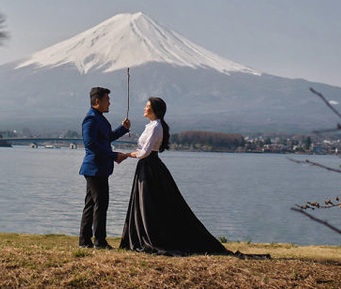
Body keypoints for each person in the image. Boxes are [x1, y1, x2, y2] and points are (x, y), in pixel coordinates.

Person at [118, 97, 232, 256]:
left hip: (150, 168)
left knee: (148, 204)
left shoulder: (156, 127)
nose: (144, 108)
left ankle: (151, 237)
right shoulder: (151, 126)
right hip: (146, 167)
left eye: (147, 106)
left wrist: (126, 155)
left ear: (155, 110)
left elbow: (145, 152)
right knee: (146, 203)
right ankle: (141, 235)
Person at [79, 86, 131, 249]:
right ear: (97, 101)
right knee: (101, 204)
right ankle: (99, 241)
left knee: (91, 204)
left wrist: (123, 129)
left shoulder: (99, 118)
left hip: (98, 168)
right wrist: (114, 156)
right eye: (107, 100)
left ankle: (85, 240)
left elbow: (106, 138)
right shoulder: (91, 119)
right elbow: (91, 145)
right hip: (95, 169)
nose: (110, 103)